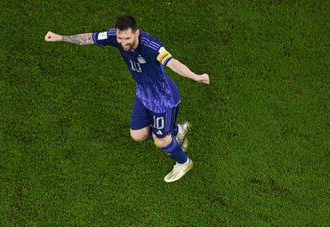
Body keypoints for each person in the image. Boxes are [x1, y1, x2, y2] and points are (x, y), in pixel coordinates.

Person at [44, 15, 210, 183]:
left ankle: (184, 162)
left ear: (137, 33)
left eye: (128, 38)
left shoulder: (152, 46)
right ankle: (178, 131)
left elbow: (173, 63)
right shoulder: (115, 37)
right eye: (120, 38)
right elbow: (87, 38)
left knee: (160, 141)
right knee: (138, 135)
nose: (123, 43)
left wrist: (196, 77)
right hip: (144, 94)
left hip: (162, 99)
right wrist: (59, 37)